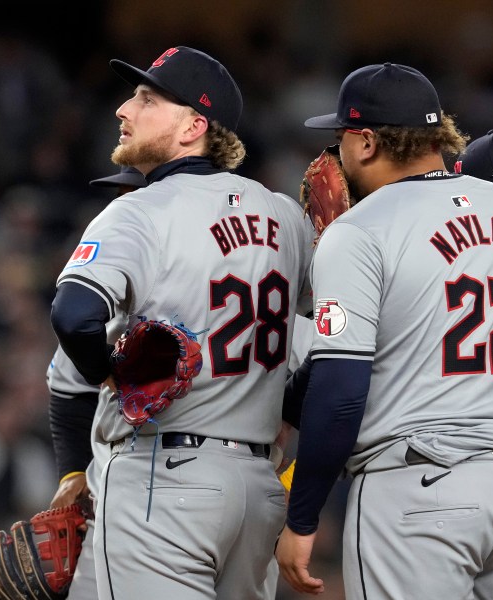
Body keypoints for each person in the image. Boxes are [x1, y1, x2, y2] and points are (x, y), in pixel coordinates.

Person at [50, 45, 314, 600]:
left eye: (147, 99)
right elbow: (332, 345)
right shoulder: (286, 214)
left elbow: (74, 316)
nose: (124, 108)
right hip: (259, 489)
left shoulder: (140, 210)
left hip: (162, 478)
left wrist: (111, 378)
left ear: (195, 125)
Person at [276, 62, 493, 599]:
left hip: (419, 494)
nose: (334, 155)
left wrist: (303, 517)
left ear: (368, 141)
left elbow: (341, 392)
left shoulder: (359, 232)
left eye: (340, 138)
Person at [47, 166, 147, 600]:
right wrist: (73, 473)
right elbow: (67, 390)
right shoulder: (109, 312)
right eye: (121, 195)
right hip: (123, 489)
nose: (121, 206)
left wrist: (292, 481)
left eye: (133, 195)